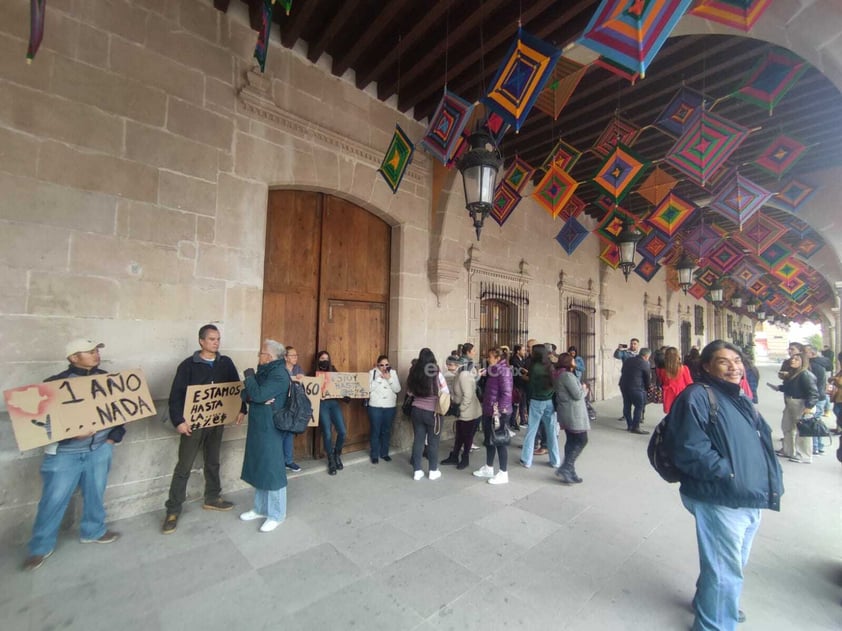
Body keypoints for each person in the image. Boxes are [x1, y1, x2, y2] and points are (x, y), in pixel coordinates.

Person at [665, 340, 783, 631]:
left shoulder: (737, 395)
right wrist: (729, 474)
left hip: (748, 493)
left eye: (737, 360)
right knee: (725, 570)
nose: (734, 366)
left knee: (729, 563)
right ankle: (714, 623)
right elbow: (689, 448)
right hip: (721, 495)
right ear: (706, 366)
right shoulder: (698, 396)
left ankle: (710, 601)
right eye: (724, 361)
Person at [23, 339, 124, 571]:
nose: (95, 354)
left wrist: (112, 438)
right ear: (73, 358)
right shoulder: (54, 385)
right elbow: (41, 425)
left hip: (99, 449)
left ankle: (94, 530)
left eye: (96, 350)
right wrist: (70, 436)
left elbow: (121, 409)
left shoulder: (108, 380)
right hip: (64, 454)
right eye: (89, 352)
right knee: (53, 500)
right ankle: (39, 547)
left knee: (95, 493)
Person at [162, 324, 244, 535]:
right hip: (193, 424)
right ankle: (173, 509)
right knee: (184, 466)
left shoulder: (225, 363)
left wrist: (242, 408)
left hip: (216, 422)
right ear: (201, 341)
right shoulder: (187, 365)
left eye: (218, 339)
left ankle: (212, 497)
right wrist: (179, 420)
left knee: (213, 460)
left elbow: (236, 387)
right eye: (211, 339)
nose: (216, 342)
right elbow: (176, 396)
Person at [238, 339, 289, 533]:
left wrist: (249, 377)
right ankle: (260, 509)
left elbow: (257, 394)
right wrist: (253, 395)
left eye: (261, 353)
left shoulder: (278, 374)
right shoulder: (265, 372)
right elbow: (247, 394)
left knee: (273, 470)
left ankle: (277, 514)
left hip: (271, 428)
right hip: (259, 426)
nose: (258, 356)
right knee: (260, 466)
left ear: (269, 356)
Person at [473, 347, 513, 484]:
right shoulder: (495, 370)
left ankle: (503, 472)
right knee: (489, 440)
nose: (487, 359)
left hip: (498, 412)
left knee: (500, 441)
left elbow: (507, 393)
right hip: (489, 409)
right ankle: (489, 467)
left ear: (497, 358)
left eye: (490, 357)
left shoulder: (504, 371)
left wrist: (498, 410)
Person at [770, 348, 818, 463]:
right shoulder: (794, 374)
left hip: (801, 404)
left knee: (803, 432)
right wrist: (780, 388)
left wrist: (808, 407)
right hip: (791, 402)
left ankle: (804, 456)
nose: (793, 361)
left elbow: (814, 393)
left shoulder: (806, 375)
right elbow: (791, 387)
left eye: (797, 359)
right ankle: (789, 451)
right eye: (792, 359)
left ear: (803, 362)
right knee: (787, 427)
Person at [407, 348, 448, 480]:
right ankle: (432, 470)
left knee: (418, 441)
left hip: (416, 410)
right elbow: (445, 391)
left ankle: (417, 471)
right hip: (433, 413)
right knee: (433, 442)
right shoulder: (437, 374)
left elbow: (409, 393)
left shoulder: (414, 372)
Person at [519, 344, 561, 469]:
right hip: (549, 401)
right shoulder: (550, 366)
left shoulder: (534, 366)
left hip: (536, 401)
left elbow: (531, 385)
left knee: (531, 430)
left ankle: (527, 460)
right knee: (551, 431)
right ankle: (555, 460)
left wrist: (525, 377)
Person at [553, 353, 590, 485]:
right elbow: (577, 394)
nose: (575, 362)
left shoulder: (560, 374)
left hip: (567, 412)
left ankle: (570, 469)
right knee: (582, 439)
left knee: (572, 440)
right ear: (569, 362)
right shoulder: (567, 376)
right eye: (573, 360)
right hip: (573, 413)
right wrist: (584, 388)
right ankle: (566, 467)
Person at [443, 355, 481, 469]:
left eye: (451, 364)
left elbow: (468, 395)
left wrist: (461, 409)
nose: (449, 366)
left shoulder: (463, 375)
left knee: (466, 436)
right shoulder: (460, 374)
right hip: (463, 411)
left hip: (468, 412)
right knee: (459, 435)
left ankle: (465, 458)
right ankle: (454, 456)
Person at [315, 350, 347, 475]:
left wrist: (346, 395)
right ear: (318, 360)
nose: (324, 360)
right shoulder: (313, 373)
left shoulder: (334, 371)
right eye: (322, 358)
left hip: (333, 403)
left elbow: (342, 385)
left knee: (342, 431)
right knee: (327, 433)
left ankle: (337, 453)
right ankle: (331, 459)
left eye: (326, 358)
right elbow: (308, 389)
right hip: (322, 404)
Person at [367, 354, 401, 464]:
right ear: (377, 365)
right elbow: (368, 389)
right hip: (375, 406)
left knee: (386, 430)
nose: (384, 367)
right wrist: (380, 379)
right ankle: (374, 454)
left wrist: (389, 379)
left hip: (389, 406)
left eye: (386, 365)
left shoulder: (393, 373)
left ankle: (384, 453)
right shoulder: (372, 373)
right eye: (381, 365)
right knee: (375, 430)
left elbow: (397, 389)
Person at [619, 347, 651, 434]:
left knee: (627, 404)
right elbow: (647, 377)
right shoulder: (645, 363)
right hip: (636, 387)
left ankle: (629, 425)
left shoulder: (628, 360)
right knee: (639, 406)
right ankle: (636, 427)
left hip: (624, 385)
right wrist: (648, 388)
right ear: (646, 356)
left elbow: (622, 371)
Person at [282, 346, 303, 472]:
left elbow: (306, 385)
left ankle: (288, 461)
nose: (295, 358)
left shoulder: (298, 369)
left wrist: (302, 378)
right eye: (292, 355)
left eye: (296, 355)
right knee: (280, 432)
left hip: (293, 407)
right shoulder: (280, 369)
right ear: (285, 357)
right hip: (282, 405)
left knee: (289, 432)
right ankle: (279, 461)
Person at [656, 347, 693, 414]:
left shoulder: (661, 370)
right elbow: (689, 383)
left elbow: (661, 381)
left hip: (668, 393)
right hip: (682, 393)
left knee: (671, 414)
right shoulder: (684, 368)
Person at [510, 344, 529, 430]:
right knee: (516, 404)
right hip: (517, 384)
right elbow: (519, 370)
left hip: (523, 384)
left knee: (523, 403)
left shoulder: (523, 359)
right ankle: (513, 422)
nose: (524, 352)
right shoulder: (514, 359)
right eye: (523, 350)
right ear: (518, 351)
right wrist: (524, 371)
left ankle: (523, 420)